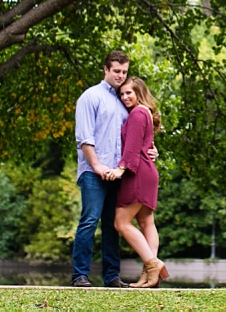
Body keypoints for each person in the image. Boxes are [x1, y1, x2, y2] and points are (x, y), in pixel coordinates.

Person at [71, 50, 140, 288]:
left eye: (124, 72)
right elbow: (84, 138)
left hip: (116, 173)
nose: (121, 76)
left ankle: (112, 277)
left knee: (113, 224)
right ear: (106, 70)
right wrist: (98, 166)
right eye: (116, 71)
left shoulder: (124, 102)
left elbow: (134, 138)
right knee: (90, 220)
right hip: (93, 172)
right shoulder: (90, 97)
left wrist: (151, 150)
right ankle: (80, 275)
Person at [104, 76, 167, 288]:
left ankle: (152, 265)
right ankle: (149, 275)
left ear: (139, 92)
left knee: (120, 222)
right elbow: (144, 144)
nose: (124, 97)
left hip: (137, 172)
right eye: (122, 94)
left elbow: (131, 147)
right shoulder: (145, 113)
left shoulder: (138, 113)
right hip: (147, 170)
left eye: (129, 92)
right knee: (146, 222)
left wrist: (120, 169)